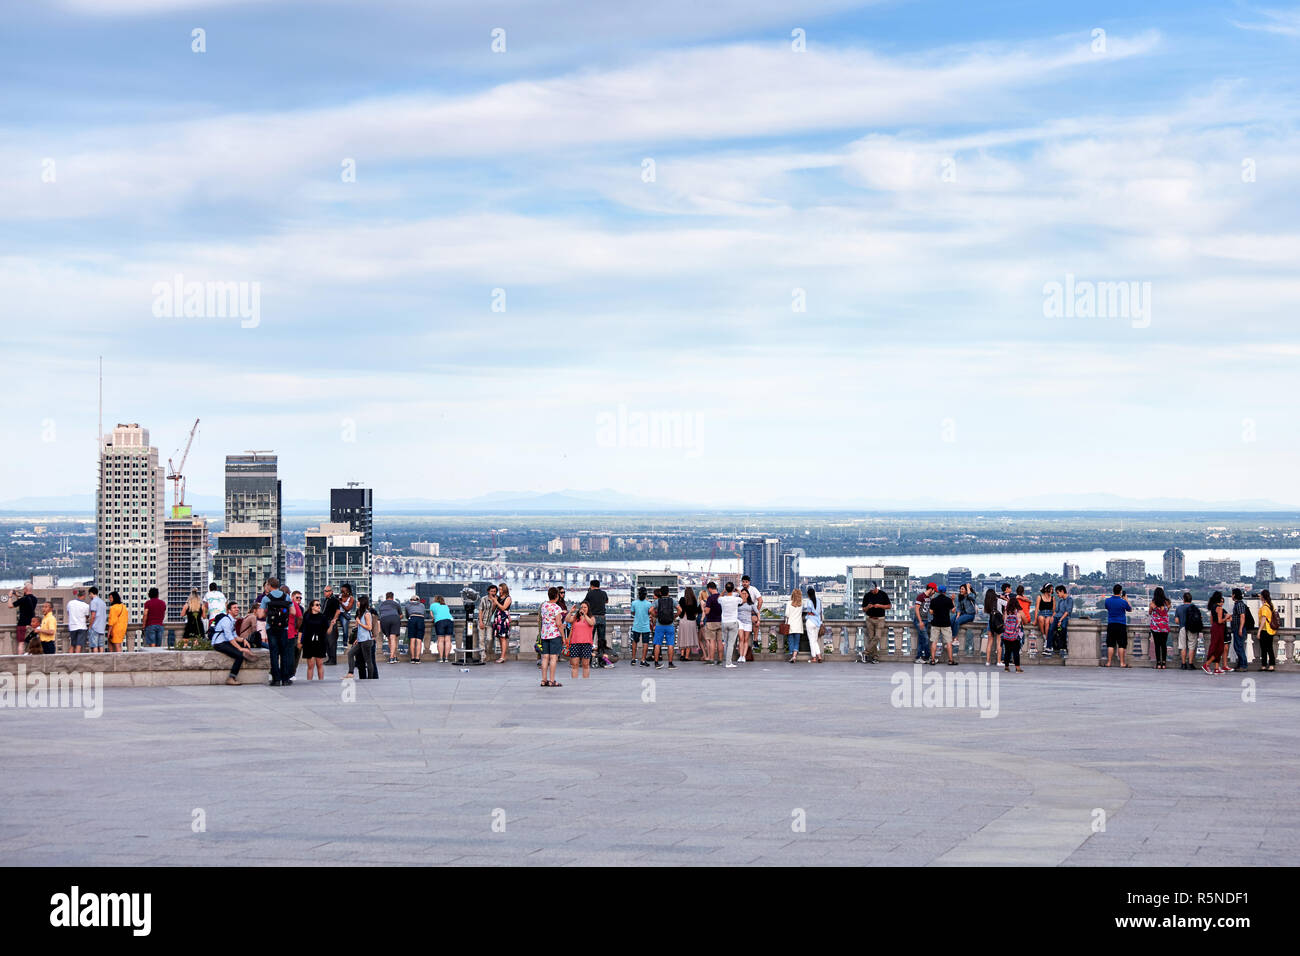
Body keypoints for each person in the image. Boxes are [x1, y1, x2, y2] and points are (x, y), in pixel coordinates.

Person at [260, 577, 295, 686]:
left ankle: (276, 679)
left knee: (274, 653)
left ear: (269, 585)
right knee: (284, 653)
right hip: (284, 628)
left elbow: (260, 615)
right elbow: (293, 612)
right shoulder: (286, 596)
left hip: (271, 628)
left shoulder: (266, 598)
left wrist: (269, 613)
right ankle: (285, 679)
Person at [208, 603, 255, 685]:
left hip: (224, 642)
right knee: (239, 655)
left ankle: (248, 655)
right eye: (234, 608)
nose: (237, 609)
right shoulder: (226, 620)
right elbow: (230, 638)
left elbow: (235, 636)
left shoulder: (232, 620)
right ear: (229, 610)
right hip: (219, 643)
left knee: (244, 645)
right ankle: (231, 678)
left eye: (237, 607)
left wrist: (243, 640)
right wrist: (240, 648)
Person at [343, 596, 377, 680]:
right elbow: (360, 630)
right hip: (361, 640)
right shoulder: (360, 613)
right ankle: (350, 673)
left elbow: (369, 627)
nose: (357, 603)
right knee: (350, 653)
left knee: (368, 660)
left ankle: (370, 679)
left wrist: (359, 622)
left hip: (366, 640)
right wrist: (357, 639)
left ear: (362, 603)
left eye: (358, 601)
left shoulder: (367, 614)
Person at [538, 587, 564, 687]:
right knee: (553, 658)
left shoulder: (544, 605)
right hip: (554, 634)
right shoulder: (557, 608)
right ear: (557, 596)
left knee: (545, 658)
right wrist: (563, 636)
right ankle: (552, 680)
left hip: (544, 634)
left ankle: (543, 680)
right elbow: (559, 624)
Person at [584, 579, 612, 667]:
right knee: (601, 641)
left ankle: (588, 660)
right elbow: (606, 601)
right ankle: (602, 661)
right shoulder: (603, 593)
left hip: (592, 618)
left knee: (590, 639)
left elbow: (584, 603)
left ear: (591, 586)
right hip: (602, 618)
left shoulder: (590, 593)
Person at [299, 599, 329, 681]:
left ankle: (321, 681)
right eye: (317, 605)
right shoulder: (306, 616)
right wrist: (299, 641)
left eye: (320, 605)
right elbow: (302, 629)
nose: (319, 606)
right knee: (310, 665)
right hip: (308, 642)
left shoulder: (323, 617)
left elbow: (327, 631)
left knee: (320, 664)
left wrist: (332, 625)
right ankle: (309, 682)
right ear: (312, 607)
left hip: (320, 642)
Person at [1103, 584, 1132, 668]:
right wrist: (1126, 599)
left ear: (1113, 591)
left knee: (1110, 644)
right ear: (1120, 591)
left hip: (1111, 624)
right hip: (1121, 624)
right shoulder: (1123, 602)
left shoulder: (1107, 601)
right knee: (1121, 645)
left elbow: (1107, 608)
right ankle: (1122, 663)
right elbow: (1130, 609)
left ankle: (1109, 662)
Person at [567, 600, 595, 680]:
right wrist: (571, 612)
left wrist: (585, 615)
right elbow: (567, 619)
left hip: (586, 643)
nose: (583, 609)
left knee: (585, 664)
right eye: (582, 607)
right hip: (575, 643)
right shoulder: (576, 617)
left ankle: (585, 681)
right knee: (574, 664)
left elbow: (591, 623)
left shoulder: (591, 617)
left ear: (588, 608)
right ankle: (574, 681)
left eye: (585, 607)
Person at [861, 583, 889, 664]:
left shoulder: (883, 594)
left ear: (876, 587)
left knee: (877, 637)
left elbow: (889, 606)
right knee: (871, 639)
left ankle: (865, 652)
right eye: (871, 590)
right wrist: (868, 607)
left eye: (873, 590)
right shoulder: (867, 595)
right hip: (869, 619)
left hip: (880, 619)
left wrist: (879, 606)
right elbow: (863, 609)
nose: (872, 591)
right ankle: (875, 657)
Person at [928, 584, 955, 665]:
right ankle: (950, 660)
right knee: (949, 642)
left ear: (938, 591)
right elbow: (953, 611)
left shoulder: (934, 600)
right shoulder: (948, 600)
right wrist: (952, 600)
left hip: (935, 623)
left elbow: (931, 612)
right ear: (945, 592)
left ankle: (933, 660)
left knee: (934, 642)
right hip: (946, 624)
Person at [652, 585, 678, 669]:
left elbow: (650, 610)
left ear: (660, 593)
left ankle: (656, 663)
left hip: (659, 625)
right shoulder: (672, 601)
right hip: (670, 625)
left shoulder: (657, 601)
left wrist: (655, 616)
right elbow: (680, 610)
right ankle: (670, 664)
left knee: (657, 644)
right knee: (670, 644)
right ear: (668, 593)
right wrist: (674, 616)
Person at [1203, 591, 1229, 675]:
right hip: (1219, 628)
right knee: (1219, 648)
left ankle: (1216, 668)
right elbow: (1220, 621)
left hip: (1214, 627)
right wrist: (1226, 617)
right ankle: (1207, 664)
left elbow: (1212, 620)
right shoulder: (1219, 608)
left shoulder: (1212, 607)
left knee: (1215, 646)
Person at [8, 584, 38, 652]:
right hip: (32, 624)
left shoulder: (23, 599)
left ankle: (20, 658)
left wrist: (10, 596)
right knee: (31, 643)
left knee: (21, 643)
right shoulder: (35, 599)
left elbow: (10, 605)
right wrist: (17, 595)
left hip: (22, 624)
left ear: (25, 589)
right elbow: (24, 601)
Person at [718, 581, 742, 667]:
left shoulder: (722, 599)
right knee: (731, 644)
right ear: (733, 589)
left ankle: (727, 661)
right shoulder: (736, 599)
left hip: (724, 622)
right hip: (733, 622)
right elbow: (744, 600)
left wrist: (723, 591)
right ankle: (728, 663)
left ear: (726, 589)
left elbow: (719, 598)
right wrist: (739, 592)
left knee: (726, 643)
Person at [1229, 588, 1252, 672]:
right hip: (1236, 628)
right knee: (1237, 647)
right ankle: (1240, 664)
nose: (1231, 596)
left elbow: (1242, 616)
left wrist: (1240, 629)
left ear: (1234, 595)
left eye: (1232, 594)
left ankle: (1243, 665)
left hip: (1239, 628)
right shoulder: (1238, 604)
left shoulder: (1239, 604)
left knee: (1239, 647)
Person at [377, 591, 403, 664]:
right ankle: (391, 658)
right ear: (392, 597)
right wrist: (397, 618)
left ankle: (394, 656)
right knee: (393, 638)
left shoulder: (381, 604)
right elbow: (401, 615)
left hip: (384, 619)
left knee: (389, 639)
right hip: (394, 618)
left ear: (386, 597)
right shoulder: (396, 604)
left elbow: (380, 614)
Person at [630, 586, 653, 667]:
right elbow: (650, 613)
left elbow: (633, 612)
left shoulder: (634, 603)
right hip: (645, 626)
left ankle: (633, 659)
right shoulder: (649, 604)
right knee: (645, 643)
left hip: (636, 625)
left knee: (634, 642)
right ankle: (643, 660)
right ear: (646, 594)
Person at [913, 582, 936, 664]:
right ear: (931, 589)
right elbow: (916, 609)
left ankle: (920, 657)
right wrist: (920, 621)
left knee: (921, 640)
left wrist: (932, 599)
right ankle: (927, 657)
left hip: (925, 620)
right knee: (926, 639)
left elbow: (930, 610)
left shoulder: (928, 598)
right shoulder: (920, 596)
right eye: (934, 590)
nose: (934, 592)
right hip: (919, 620)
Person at [1148, 587, 1171, 669]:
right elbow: (1166, 612)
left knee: (1157, 645)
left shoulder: (1153, 603)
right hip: (1164, 627)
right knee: (1164, 645)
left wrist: (1154, 608)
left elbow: (1150, 613)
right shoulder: (1167, 602)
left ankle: (1158, 663)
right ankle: (1164, 663)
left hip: (1155, 627)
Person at [1002, 594, 1025, 672]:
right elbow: (1021, 622)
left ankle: (1006, 667)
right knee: (1016, 652)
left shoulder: (1006, 612)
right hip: (1015, 635)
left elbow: (1004, 622)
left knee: (1007, 651)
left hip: (1006, 635)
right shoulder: (1018, 613)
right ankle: (1018, 668)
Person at [1257, 589, 1279, 672]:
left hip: (1265, 630)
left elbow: (1263, 620)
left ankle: (1265, 665)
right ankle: (1271, 665)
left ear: (1263, 597)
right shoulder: (1270, 605)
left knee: (1264, 649)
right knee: (1269, 648)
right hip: (1270, 630)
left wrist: (1259, 631)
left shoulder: (1264, 607)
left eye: (1261, 595)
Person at [676, 586, 701, 661]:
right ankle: (687, 656)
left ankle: (682, 655)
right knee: (689, 638)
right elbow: (695, 611)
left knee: (683, 637)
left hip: (683, 620)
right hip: (691, 620)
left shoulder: (682, 599)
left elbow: (679, 609)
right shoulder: (693, 600)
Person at [491, 584, 513, 665]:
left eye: (500, 589)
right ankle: (502, 656)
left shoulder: (508, 598)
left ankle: (502, 657)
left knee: (503, 637)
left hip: (503, 618)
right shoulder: (498, 598)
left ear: (504, 589)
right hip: (498, 617)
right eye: (499, 589)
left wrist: (496, 602)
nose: (499, 591)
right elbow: (493, 609)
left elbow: (504, 608)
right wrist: (494, 603)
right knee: (500, 637)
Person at [1050, 585, 1073, 662]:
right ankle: (1054, 647)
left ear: (1062, 591)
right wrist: (1052, 617)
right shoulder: (1060, 601)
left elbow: (1067, 612)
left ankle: (1063, 647)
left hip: (1064, 618)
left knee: (1062, 629)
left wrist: (1060, 620)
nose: (1057, 595)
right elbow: (1056, 611)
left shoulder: (1069, 600)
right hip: (1057, 618)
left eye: (1058, 593)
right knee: (1052, 630)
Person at [953, 583, 977, 657]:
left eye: (962, 589)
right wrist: (957, 615)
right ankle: (952, 636)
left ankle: (955, 638)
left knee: (957, 621)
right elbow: (959, 608)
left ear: (966, 590)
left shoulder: (971, 595)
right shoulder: (961, 597)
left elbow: (972, 597)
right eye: (960, 589)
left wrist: (968, 588)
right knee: (951, 620)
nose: (961, 590)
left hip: (970, 615)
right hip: (962, 614)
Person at [702, 582, 722, 665]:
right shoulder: (721, 597)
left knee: (712, 641)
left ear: (709, 588)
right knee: (720, 641)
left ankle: (711, 659)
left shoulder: (710, 598)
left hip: (711, 621)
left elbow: (707, 611)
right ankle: (720, 659)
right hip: (720, 621)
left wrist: (703, 607)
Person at [804, 585, 825, 663]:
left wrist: (810, 613)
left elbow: (809, 611)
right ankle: (819, 656)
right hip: (817, 623)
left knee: (811, 640)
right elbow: (820, 612)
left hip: (810, 621)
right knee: (815, 640)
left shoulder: (809, 602)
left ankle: (814, 657)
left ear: (808, 594)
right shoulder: (819, 601)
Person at [430, 596, 454, 663]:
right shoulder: (445, 606)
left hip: (440, 621)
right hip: (449, 621)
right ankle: (446, 658)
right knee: (448, 640)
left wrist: (434, 618)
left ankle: (441, 658)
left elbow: (432, 615)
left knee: (440, 640)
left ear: (435, 600)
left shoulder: (433, 605)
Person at [322, 585, 342, 665]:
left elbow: (338, 611)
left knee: (331, 642)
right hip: (325, 622)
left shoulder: (334, 600)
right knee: (326, 642)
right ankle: (330, 659)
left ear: (331, 592)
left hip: (330, 622)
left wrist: (333, 621)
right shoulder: (326, 600)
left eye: (326, 591)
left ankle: (333, 660)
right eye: (324, 591)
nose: (325, 592)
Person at [1033, 584, 1054, 658]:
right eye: (1050, 589)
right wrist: (1035, 619)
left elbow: (1054, 610)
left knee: (1047, 621)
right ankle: (1044, 636)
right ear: (1046, 589)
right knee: (1041, 619)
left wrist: (1052, 617)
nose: (1052, 591)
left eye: (1052, 589)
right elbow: (1036, 609)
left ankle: (1047, 640)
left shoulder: (1053, 598)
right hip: (1041, 613)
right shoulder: (1039, 597)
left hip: (1049, 614)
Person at [478, 584, 499, 662]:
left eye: (494, 591)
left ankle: (486, 651)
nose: (493, 593)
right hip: (482, 621)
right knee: (481, 639)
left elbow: (493, 611)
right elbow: (480, 610)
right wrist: (480, 622)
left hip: (489, 622)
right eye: (491, 591)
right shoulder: (483, 599)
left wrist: (494, 602)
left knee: (489, 639)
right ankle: (482, 655)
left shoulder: (497, 599)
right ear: (488, 591)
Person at [784, 588, 805, 662]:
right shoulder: (801, 604)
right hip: (798, 625)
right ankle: (794, 656)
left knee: (791, 641)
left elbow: (787, 614)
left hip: (790, 625)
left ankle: (791, 655)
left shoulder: (789, 603)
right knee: (797, 642)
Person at [66, 589, 90, 654]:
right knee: (79, 645)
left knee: (72, 644)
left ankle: (70, 657)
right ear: (84, 595)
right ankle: (77, 658)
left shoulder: (70, 603)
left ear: (77, 595)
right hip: (81, 626)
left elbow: (68, 613)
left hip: (72, 626)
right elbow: (87, 616)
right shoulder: (86, 606)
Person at [405, 593, 427, 663]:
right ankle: (417, 658)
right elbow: (424, 614)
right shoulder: (422, 605)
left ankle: (412, 658)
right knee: (419, 640)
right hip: (420, 619)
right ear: (418, 600)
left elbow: (407, 615)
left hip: (412, 619)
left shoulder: (408, 605)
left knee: (412, 640)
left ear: (411, 600)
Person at [86, 586, 108, 654]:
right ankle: (102, 658)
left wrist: (90, 626)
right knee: (101, 645)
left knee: (94, 646)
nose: (89, 596)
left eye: (89, 594)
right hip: (102, 626)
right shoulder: (103, 602)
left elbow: (93, 616)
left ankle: (96, 659)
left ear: (91, 593)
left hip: (95, 626)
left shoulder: (93, 602)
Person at [737, 586, 755, 663]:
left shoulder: (751, 603)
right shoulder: (738, 603)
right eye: (742, 593)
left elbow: (757, 612)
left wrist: (758, 620)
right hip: (739, 621)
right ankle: (740, 655)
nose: (744, 595)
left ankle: (744, 656)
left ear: (748, 594)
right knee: (741, 638)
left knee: (746, 639)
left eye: (745, 593)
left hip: (748, 622)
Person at [982, 588, 1000, 666]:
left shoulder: (987, 602)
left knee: (989, 642)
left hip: (990, 622)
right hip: (998, 622)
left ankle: (987, 661)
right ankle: (998, 661)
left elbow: (985, 612)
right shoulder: (997, 601)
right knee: (999, 642)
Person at [289, 590, 305, 673]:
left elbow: (302, 620)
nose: (299, 599)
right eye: (297, 597)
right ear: (292, 597)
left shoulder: (301, 608)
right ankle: (289, 672)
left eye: (300, 598)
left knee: (297, 653)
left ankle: (293, 672)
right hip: (291, 633)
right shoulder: (289, 606)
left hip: (299, 634)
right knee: (290, 654)